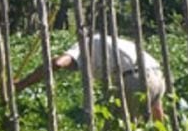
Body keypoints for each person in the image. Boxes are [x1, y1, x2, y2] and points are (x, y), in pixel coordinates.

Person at [14, 33, 166, 124]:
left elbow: (57, 63)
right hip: (158, 76)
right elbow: (155, 104)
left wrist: (22, 84)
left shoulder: (84, 45)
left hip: (133, 79)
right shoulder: (113, 43)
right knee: (137, 128)